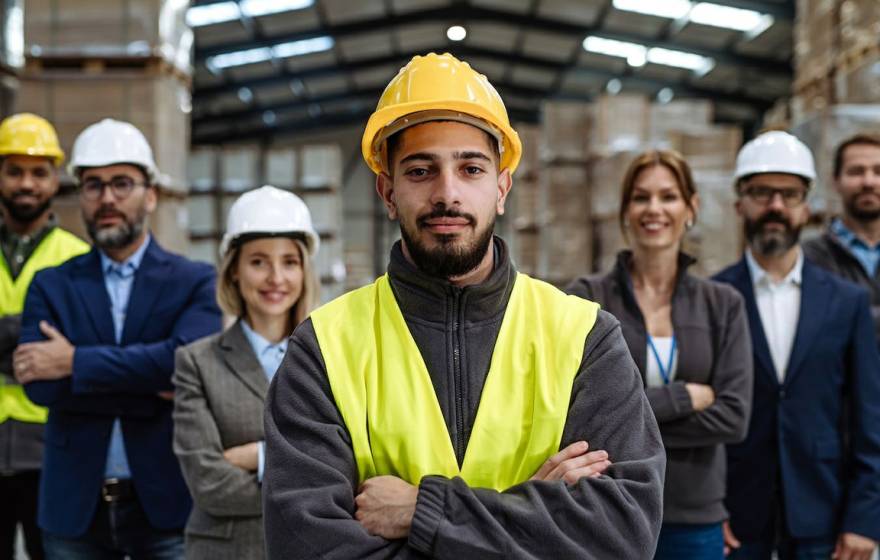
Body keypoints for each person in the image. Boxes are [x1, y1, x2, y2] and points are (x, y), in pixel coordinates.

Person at [263, 52, 665, 559]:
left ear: (501, 187)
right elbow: (307, 547)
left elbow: (623, 535)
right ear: (388, 192)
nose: (446, 193)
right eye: (420, 171)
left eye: (471, 168)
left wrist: (426, 511)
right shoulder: (324, 347)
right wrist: (530, 510)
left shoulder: (583, 336)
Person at [13, 118, 222, 559]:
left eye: (122, 183)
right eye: (93, 185)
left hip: (166, 503)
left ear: (151, 194)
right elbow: (41, 386)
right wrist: (150, 382)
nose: (107, 198)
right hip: (74, 509)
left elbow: (185, 368)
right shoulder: (51, 284)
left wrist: (75, 363)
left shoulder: (194, 281)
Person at [567, 150, 753, 559]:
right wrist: (682, 397)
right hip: (606, 510)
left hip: (693, 518)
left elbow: (734, 417)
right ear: (625, 211)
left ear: (691, 208)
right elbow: (578, 414)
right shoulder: (587, 298)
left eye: (668, 196)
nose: (654, 209)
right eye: (641, 197)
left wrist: (622, 426)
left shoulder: (723, 305)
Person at [713, 131, 880, 560]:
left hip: (825, 515)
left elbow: (869, 421)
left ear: (807, 206)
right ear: (739, 204)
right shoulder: (711, 298)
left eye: (789, 194)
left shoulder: (846, 302)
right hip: (737, 518)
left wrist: (864, 518)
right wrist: (707, 506)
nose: (775, 206)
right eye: (761, 193)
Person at [172, 185, 320, 560]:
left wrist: (260, 456)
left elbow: (352, 466)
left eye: (289, 262)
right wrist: (313, 484)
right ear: (234, 271)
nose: (276, 277)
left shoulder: (332, 359)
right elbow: (208, 483)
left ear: (304, 271)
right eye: (258, 262)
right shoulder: (196, 363)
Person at [0, 114, 90, 560]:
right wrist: (31, 337)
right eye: (14, 171)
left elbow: (87, 348)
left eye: (38, 172)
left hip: (52, 449)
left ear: (56, 180)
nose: (26, 184)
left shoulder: (79, 259)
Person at [803, 134, 880, 340]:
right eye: (856, 171)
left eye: (878, 171)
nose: (868, 182)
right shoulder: (810, 258)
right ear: (835, 181)